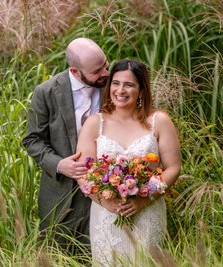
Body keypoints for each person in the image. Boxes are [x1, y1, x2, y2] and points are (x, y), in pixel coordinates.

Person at [76, 59, 181, 265]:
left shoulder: (158, 121)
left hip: (147, 211)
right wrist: (105, 201)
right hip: (106, 215)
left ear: (141, 90)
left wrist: (144, 199)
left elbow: (173, 168)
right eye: (115, 83)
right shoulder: (95, 123)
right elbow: (84, 173)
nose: (120, 90)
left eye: (129, 85)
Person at [22, 38, 110, 253]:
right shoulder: (46, 92)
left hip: (108, 192)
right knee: (58, 256)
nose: (105, 73)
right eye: (97, 71)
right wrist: (60, 164)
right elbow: (32, 140)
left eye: (106, 64)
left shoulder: (114, 86)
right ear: (75, 71)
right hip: (61, 195)